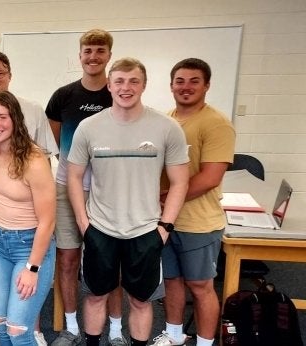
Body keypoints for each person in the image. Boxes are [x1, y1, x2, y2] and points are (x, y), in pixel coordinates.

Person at [65, 58, 190, 346]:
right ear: (109, 85)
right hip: (100, 230)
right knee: (96, 296)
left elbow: (180, 181)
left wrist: (164, 228)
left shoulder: (167, 127)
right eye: (119, 81)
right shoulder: (89, 127)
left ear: (144, 85)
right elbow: (73, 177)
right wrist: (85, 225)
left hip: (146, 232)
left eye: (133, 81)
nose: (126, 87)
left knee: (140, 301)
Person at [0, 51, 58, 346]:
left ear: (15, 120)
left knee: (20, 332)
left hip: (30, 245)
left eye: (2, 117)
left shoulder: (34, 159)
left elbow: (48, 221)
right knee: (0, 327)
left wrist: (32, 268)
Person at [44, 29, 125, 346]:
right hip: (67, 188)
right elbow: (54, 142)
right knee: (67, 259)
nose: (93, 56)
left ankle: (116, 331)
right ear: (80, 55)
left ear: (108, 55)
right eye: (88, 50)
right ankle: (71, 327)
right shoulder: (63, 96)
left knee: (109, 262)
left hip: (107, 192)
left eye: (100, 50)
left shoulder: (117, 94)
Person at [152, 58, 235, 346]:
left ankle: (204, 342)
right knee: (172, 282)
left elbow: (210, 177)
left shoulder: (216, 123)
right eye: (180, 81)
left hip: (198, 223)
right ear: (171, 85)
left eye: (194, 81)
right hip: (165, 222)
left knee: (200, 286)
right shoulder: (164, 120)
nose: (186, 87)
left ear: (207, 85)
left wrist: (167, 198)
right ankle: (174, 335)